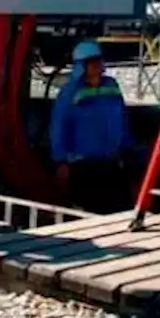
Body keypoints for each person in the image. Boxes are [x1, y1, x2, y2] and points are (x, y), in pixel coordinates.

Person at [50, 40, 131, 214]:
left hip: (111, 160)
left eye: (98, 60)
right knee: (90, 210)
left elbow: (122, 119)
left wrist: (126, 148)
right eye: (91, 61)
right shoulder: (69, 92)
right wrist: (61, 161)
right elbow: (59, 127)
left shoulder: (112, 86)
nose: (96, 65)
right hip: (82, 164)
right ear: (81, 66)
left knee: (119, 209)